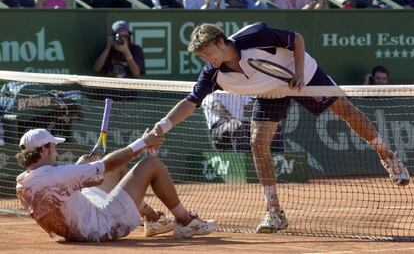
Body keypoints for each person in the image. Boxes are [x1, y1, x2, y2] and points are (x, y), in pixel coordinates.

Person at [150, 22, 410, 234]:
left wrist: (297, 72)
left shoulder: (256, 34)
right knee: (257, 142)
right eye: (202, 56)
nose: (206, 59)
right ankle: (274, 212)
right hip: (268, 92)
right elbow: (190, 102)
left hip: (303, 76)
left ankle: (387, 156)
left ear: (220, 41)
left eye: (207, 53)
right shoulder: (212, 74)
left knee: (346, 112)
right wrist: (161, 127)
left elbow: (296, 38)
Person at [15, 128, 216, 241]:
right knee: (151, 164)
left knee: (107, 169)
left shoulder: (22, 184)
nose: (56, 152)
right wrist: (143, 142)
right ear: (44, 149)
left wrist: (80, 169)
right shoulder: (60, 175)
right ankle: (185, 222)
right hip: (104, 226)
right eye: (53, 147)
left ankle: (153, 218)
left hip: (73, 230)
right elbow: (109, 163)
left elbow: (59, 190)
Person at [202, 92, 284, 153]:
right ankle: (243, 159)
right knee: (238, 126)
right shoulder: (211, 90)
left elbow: (250, 105)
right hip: (219, 129)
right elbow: (216, 106)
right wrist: (231, 119)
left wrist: (269, 117)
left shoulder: (235, 88)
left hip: (241, 125)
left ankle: (278, 157)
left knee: (273, 127)